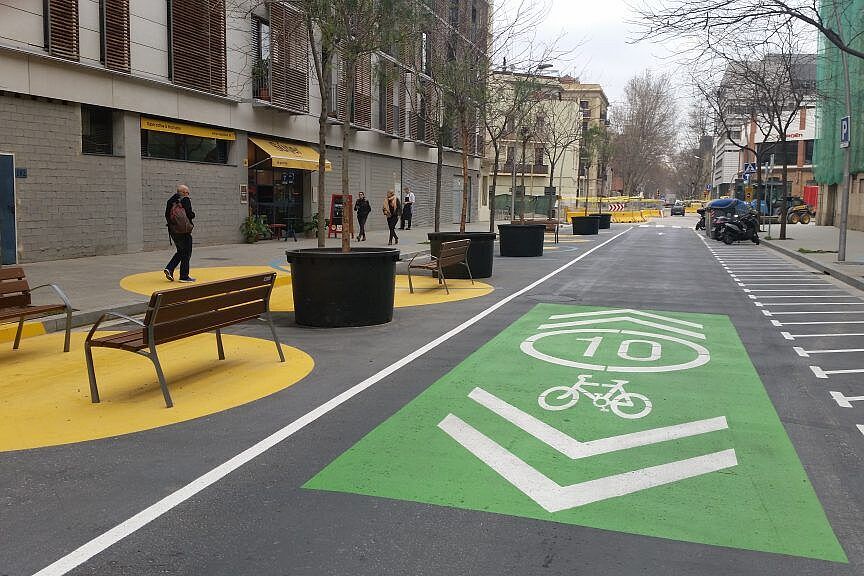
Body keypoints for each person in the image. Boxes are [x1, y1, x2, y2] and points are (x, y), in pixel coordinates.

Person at [163, 183, 196, 282]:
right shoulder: (185, 200)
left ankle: (169, 268)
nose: (188, 194)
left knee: (181, 251)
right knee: (187, 253)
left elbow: (167, 215)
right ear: (184, 192)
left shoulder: (170, 201)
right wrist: (193, 214)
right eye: (187, 192)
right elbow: (189, 214)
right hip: (184, 231)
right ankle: (184, 276)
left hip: (174, 231)